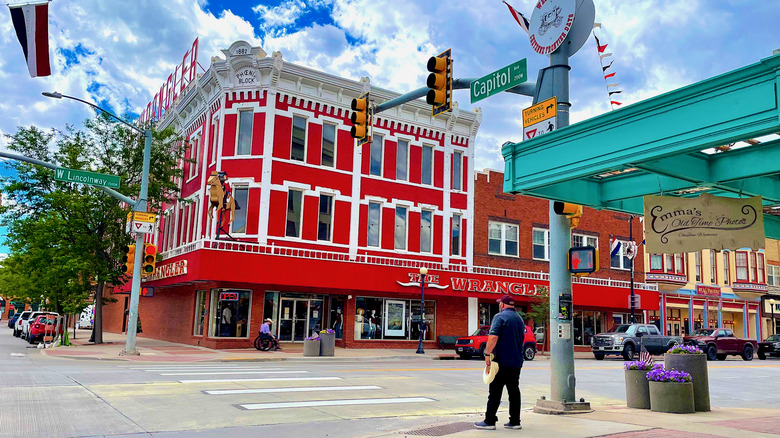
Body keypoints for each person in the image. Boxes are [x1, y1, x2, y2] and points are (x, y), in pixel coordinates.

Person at [475, 295, 525, 430]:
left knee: (495, 391)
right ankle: (515, 421)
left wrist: (487, 354)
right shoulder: (519, 319)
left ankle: (490, 420)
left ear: (502, 305)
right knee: (514, 391)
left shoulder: (500, 317)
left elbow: (493, 337)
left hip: (501, 362)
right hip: (516, 362)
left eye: (499, 303)